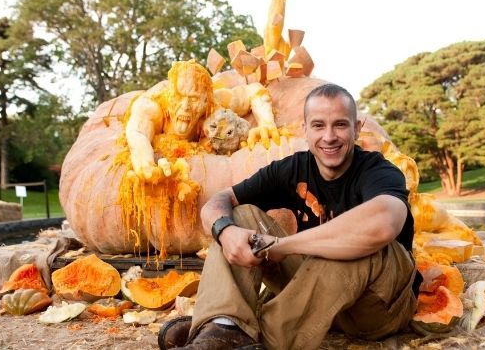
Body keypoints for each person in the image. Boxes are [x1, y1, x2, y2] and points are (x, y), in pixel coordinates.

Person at [158, 84, 419, 350]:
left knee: (357, 245)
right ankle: (224, 327)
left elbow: (385, 223)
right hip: (317, 299)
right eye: (318, 125)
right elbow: (218, 202)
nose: (329, 136)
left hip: (377, 307)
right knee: (240, 215)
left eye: (340, 125)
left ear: (356, 128)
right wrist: (226, 231)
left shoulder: (378, 169)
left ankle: (260, 337)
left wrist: (284, 246)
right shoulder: (292, 168)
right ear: (304, 130)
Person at [125, 59, 280, 181]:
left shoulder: (214, 103)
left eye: (193, 99)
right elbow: (137, 132)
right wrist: (146, 165)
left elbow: (253, 90)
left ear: (206, 100)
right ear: (171, 95)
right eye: (179, 97)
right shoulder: (152, 106)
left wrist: (266, 123)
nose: (185, 106)